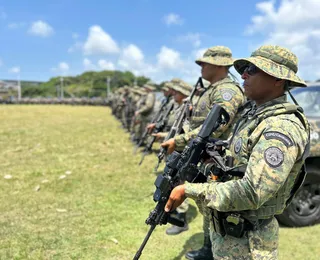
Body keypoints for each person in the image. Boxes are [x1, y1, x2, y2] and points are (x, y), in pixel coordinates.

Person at [164, 45, 310, 260]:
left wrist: (189, 190)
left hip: (249, 242)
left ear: (277, 79)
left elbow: (252, 193)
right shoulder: (254, 115)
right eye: (245, 68)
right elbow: (238, 164)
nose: (243, 75)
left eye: (252, 70)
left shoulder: (280, 127)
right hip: (230, 232)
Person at [161, 46, 245, 259]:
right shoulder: (211, 89)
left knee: (214, 207)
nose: (201, 67)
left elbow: (216, 126)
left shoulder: (227, 91)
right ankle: (209, 248)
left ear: (218, 65)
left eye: (204, 63)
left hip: (218, 158)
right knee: (207, 207)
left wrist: (179, 141)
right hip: (204, 155)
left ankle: (212, 250)